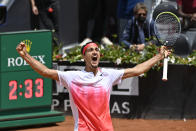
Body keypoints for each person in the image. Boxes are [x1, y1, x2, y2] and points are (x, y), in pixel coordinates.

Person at [16, 41, 171, 131]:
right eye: (90, 50)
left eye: (97, 50)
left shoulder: (109, 75)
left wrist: (159, 56)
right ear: (84, 56)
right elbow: (45, 71)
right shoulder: (72, 77)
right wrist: (25, 55)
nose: (95, 52)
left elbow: (137, 70)